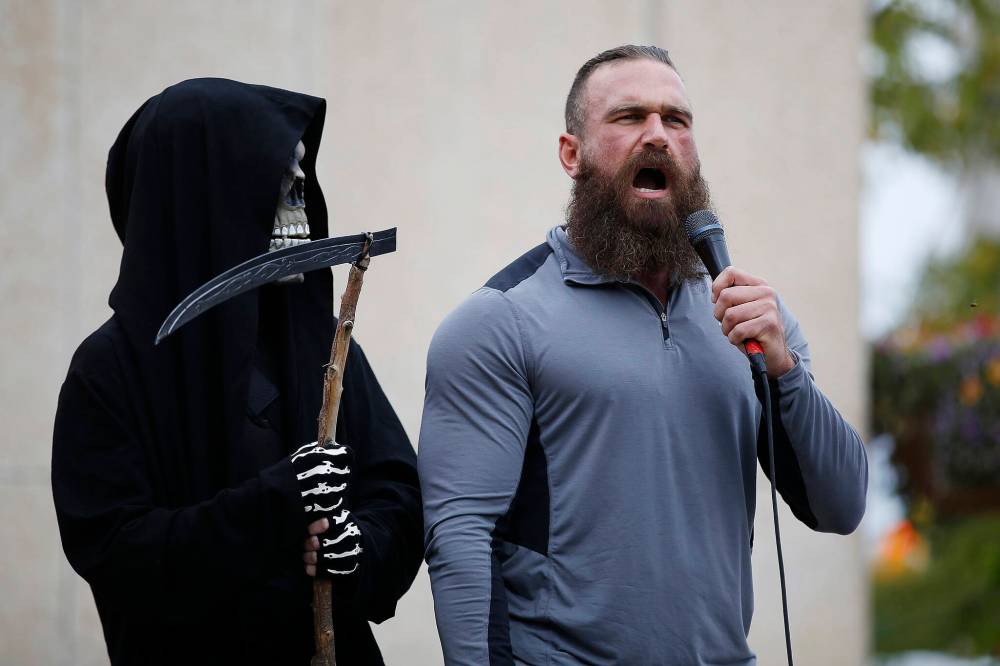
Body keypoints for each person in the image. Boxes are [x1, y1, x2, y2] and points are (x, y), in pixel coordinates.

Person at [418, 45, 868, 665]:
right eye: (629, 117)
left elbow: (841, 506)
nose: (658, 135)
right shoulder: (500, 321)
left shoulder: (752, 319)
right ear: (571, 154)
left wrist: (786, 373)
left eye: (676, 120)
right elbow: (461, 543)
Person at [51, 78, 422, 665]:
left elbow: (396, 490)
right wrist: (274, 504)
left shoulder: (319, 342)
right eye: (276, 177)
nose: (302, 190)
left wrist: (359, 550)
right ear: (206, 195)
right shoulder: (110, 370)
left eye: (301, 176)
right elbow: (115, 552)